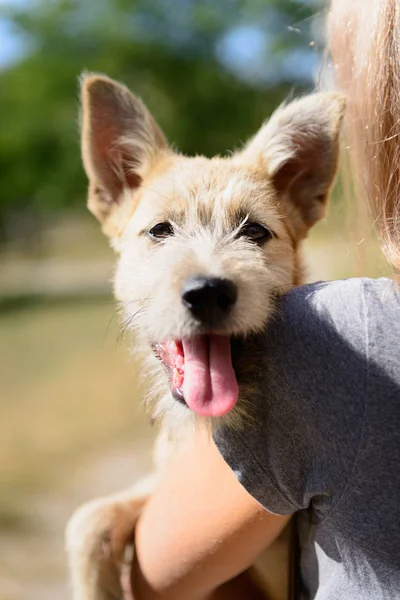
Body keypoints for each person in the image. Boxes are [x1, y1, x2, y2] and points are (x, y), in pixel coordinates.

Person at [126, 0, 400, 598]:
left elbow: (156, 575)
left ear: (305, 196)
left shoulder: (336, 337)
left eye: (252, 231)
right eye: (161, 231)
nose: (208, 274)